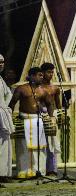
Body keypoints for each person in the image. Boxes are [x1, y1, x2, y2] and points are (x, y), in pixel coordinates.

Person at [9, 67, 54, 178]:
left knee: (39, 147)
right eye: (39, 75)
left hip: (37, 120)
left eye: (42, 75)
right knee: (24, 147)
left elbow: (49, 104)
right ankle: (23, 172)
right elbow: (12, 102)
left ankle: (38, 171)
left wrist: (52, 116)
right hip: (24, 120)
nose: (42, 77)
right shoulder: (21, 89)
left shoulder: (43, 90)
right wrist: (9, 117)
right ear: (32, 76)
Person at [40, 63, 62, 176]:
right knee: (42, 143)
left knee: (53, 143)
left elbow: (58, 104)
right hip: (40, 116)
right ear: (42, 73)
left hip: (52, 116)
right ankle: (41, 169)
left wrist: (60, 115)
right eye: (49, 72)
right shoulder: (38, 88)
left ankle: (52, 169)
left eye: (52, 72)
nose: (51, 74)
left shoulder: (55, 88)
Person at [0, 54, 14, 187]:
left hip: (3, 114)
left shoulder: (1, 79)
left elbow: (7, 96)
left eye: (3, 62)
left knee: (5, 144)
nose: (1, 64)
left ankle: (3, 173)